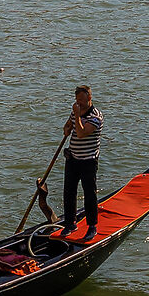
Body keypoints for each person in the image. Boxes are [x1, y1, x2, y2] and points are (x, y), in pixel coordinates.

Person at [60, 86, 104, 236]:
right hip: (72, 159)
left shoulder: (96, 117)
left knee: (89, 194)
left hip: (88, 161)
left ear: (89, 99)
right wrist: (66, 128)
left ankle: (92, 226)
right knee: (69, 192)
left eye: (82, 101)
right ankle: (70, 224)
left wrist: (77, 116)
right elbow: (68, 126)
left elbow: (80, 133)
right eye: (77, 101)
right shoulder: (76, 111)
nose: (79, 104)